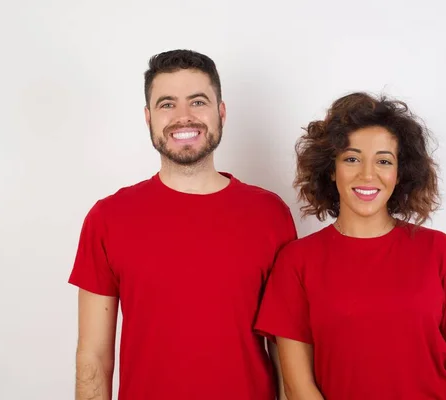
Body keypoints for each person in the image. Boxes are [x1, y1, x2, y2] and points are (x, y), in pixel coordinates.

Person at [68, 49, 296, 400]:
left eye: (198, 101)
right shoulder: (109, 218)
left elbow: (286, 353)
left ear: (221, 112)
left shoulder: (270, 214)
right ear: (148, 117)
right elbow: (94, 357)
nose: (184, 117)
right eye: (167, 104)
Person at [254, 92, 446, 399]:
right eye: (352, 159)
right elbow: (297, 384)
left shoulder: (438, 251)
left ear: (400, 173)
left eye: (384, 161)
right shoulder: (296, 262)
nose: (367, 174)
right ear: (331, 170)